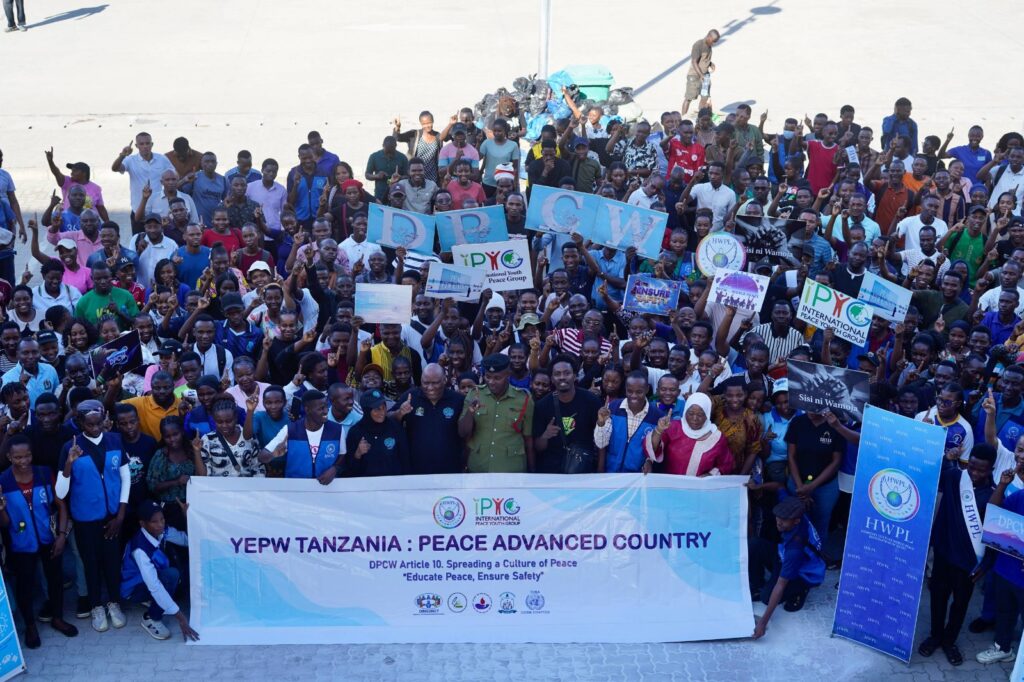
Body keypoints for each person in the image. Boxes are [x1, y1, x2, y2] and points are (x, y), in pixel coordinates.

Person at [918, 443, 995, 667]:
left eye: (981, 470)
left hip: (969, 562)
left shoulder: (993, 495)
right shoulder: (954, 477)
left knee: (960, 604)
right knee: (938, 597)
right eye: (972, 467)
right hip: (943, 553)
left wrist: (986, 564)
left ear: (991, 469)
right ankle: (935, 636)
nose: (975, 473)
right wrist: (947, 457)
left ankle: (949, 641)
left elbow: (994, 534)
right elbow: (931, 473)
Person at [56, 401, 130, 633]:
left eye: (99, 423)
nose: (96, 428)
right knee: (91, 563)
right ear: (80, 423)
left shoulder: (115, 440)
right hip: (86, 519)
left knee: (112, 562)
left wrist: (120, 514)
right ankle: (96, 606)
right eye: (90, 424)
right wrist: (69, 463)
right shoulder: (70, 447)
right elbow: (60, 492)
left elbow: (125, 478)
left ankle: (114, 603)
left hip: (112, 517)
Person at [0, 435, 78, 648]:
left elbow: (61, 505)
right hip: (21, 544)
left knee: (55, 579)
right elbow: (5, 523)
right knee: (24, 585)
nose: (23, 461)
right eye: (18, 457)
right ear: (9, 457)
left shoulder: (43, 473)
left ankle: (57, 618)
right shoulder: (3, 481)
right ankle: (30, 626)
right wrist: (1, 510)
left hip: (49, 538)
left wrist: (61, 535)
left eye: (27, 456)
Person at [120, 500, 199, 642]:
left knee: (181, 574)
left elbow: (187, 541)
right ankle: (151, 617)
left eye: (162, 519)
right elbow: (154, 586)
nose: (160, 524)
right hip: (134, 590)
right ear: (143, 524)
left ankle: (157, 601)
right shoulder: (140, 549)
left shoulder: (162, 531)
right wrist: (181, 618)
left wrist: (187, 517)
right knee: (171, 575)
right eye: (154, 522)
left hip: (151, 579)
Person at [751, 497, 826, 639]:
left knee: (766, 598)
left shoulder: (795, 549)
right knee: (755, 544)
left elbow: (780, 584)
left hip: (802, 573)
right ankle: (757, 585)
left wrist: (763, 623)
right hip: (783, 555)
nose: (778, 522)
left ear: (796, 521)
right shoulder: (796, 510)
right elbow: (780, 487)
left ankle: (801, 590)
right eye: (778, 517)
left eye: (784, 520)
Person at [459, 354, 534, 472]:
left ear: (508, 375)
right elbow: (462, 432)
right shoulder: (474, 394)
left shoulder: (523, 399)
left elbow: (528, 440)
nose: (491, 382)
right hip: (479, 467)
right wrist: (470, 412)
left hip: (511, 469)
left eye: (497, 378)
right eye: (487, 377)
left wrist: (532, 472)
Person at [391, 363, 465, 474]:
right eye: (426, 383)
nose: (430, 387)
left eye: (435, 383)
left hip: (450, 471)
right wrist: (400, 413)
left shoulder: (457, 400)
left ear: (444, 380)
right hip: (416, 470)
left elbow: (467, 432)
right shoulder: (411, 397)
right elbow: (388, 419)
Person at [533, 355, 601, 473]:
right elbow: (538, 447)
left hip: (583, 471)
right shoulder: (542, 406)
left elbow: (601, 440)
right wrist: (545, 435)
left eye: (567, 373)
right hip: (552, 472)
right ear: (552, 379)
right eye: (557, 374)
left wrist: (600, 472)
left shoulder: (591, 401)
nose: (562, 377)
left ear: (574, 376)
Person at [259, 390, 343, 484]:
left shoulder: (338, 430)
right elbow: (262, 457)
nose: (326, 411)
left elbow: (342, 455)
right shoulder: (290, 430)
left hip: (326, 487)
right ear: (307, 410)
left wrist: (335, 468)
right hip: (295, 487)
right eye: (321, 408)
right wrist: (273, 454)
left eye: (327, 407)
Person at [645, 392, 733, 475]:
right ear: (685, 411)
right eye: (691, 413)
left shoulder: (716, 438)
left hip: (699, 485)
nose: (695, 418)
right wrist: (659, 430)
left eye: (700, 414)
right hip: (671, 483)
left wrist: (710, 475)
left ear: (707, 415)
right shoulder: (673, 427)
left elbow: (725, 464)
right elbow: (652, 449)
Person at [344, 389, 409, 476]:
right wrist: (358, 454)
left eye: (384, 407)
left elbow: (405, 461)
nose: (382, 412)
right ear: (367, 410)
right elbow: (349, 469)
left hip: (393, 482)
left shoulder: (395, 427)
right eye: (377, 409)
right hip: (366, 483)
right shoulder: (356, 432)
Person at [681, 29, 719, 115]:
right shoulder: (698, 45)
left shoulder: (709, 46)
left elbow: (703, 59)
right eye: (713, 41)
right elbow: (694, 62)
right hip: (694, 76)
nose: (714, 44)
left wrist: (710, 63)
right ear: (709, 37)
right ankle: (682, 118)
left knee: (705, 98)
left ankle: (701, 117)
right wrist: (701, 75)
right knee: (689, 98)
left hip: (705, 76)